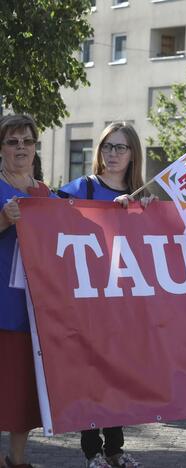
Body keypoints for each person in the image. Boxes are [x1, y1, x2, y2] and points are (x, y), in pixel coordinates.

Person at [57, 122, 149, 468]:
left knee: (118, 376)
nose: (112, 154)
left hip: (124, 301)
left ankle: (115, 449)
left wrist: (146, 213)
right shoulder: (85, 187)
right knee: (92, 375)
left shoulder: (143, 195)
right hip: (87, 298)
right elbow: (49, 217)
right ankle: (91, 451)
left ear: (132, 154)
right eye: (107, 146)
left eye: (120, 148)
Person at [0, 115, 53, 468]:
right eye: (12, 141)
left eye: (27, 141)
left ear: (35, 147)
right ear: (1, 148)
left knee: (22, 394)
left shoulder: (45, 193)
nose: (21, 147)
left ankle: (18, 460)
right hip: (1, 304)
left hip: (32, 310)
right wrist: (4, 219)